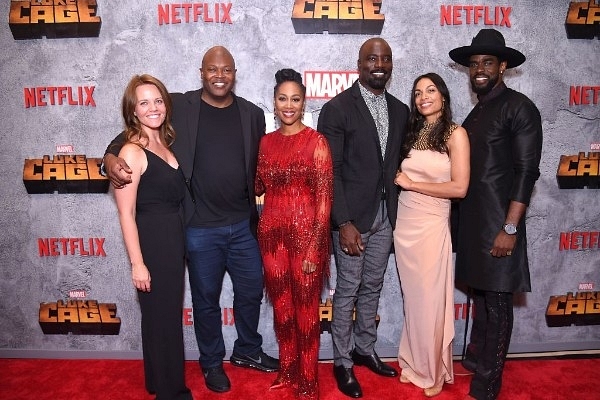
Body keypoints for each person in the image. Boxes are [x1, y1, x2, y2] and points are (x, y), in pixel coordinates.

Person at [103, 46, 279, 394]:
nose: (219, 75)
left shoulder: (253, 114)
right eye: (212, 69)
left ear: (234, 72)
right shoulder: (180, 105)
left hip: (243, 226)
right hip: (199, 227)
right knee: (205, 301)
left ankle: (247, 350)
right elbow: (133, 132)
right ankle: (212, 362)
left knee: (250, 292)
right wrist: (109, 157)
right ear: (201, 72)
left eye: (226, 69)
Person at [448, 29, 543, 400]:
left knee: (499, 302)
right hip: (473, 224)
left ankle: (489, 382)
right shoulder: (477, 111)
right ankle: (475, 358)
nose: (480, 70)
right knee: (484, 301)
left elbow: (526, 172)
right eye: (473, 65)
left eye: (488, 63)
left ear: (503, 66)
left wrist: (509, 228)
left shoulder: (520, 107)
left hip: (500, 224)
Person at [317, 37, 409, 399]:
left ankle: (364, 348)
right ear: (359, 63)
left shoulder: (401, 110)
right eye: (372, 58)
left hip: (387, 217)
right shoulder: (337, 109)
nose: (379, 64)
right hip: (354, 220)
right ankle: (342, 361)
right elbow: (330, 171)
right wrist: (343, 221)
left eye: (385, 59)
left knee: (373, 287)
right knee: (348, 292)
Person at [113, 74, 193, 400]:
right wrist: (137, 263)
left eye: (157, 100)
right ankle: (171, 392)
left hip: (172, 242)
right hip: (153, 244)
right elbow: (126, 213)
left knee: (161, 318)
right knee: (164, 322)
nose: (153, 108)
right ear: (133, 111)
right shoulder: (131, 151)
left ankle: (156, 381)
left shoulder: (162, 143)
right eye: (144, 102)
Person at [255, 68, 333, 400]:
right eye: (283, 99)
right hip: (271, 237)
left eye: (295, 99)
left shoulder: (317, 142)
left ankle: (309, 379)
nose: (289, 105)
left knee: (305, 312)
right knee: (282, 309)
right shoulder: (265, 143)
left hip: (306, 240)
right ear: (274, 103)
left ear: (304, 103)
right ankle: (287, 370)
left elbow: (325, 202)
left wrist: (316, 248)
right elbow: (259, 186)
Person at [392, 72, 470, 397]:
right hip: (406, 224)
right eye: (418, 92)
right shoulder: (413, 134)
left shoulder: (456, 134)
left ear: (443, 96)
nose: (424, 96)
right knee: (415, 301)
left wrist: (412, 184)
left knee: (430, 300)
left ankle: (433, 369)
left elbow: (460, 188)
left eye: (431, 90)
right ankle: (413, 362)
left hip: (432, 224)